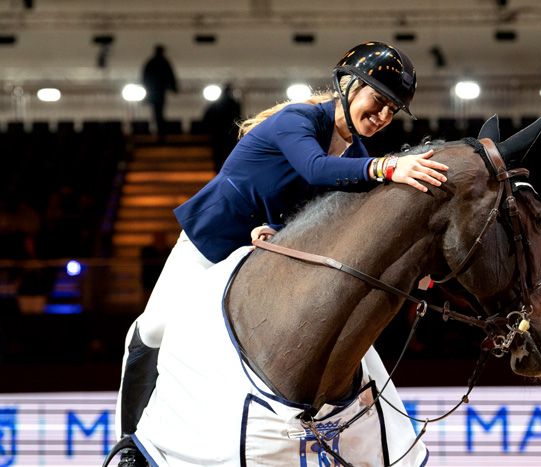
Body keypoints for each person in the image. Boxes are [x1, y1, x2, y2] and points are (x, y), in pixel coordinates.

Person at [112, 41, 449, 466]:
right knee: (151, 330)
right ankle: (131, 445)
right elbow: (313, 169)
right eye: (379, 101)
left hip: (270, 254)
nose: (383, 116)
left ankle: (396, 450)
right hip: (214, 241)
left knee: (351, 338)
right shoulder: (299, 119)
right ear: (347, 85)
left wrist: (415, 264)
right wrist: (387, 167)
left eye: (392, 110)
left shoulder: (360, 154)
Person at [202, 82, 242, 171]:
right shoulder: (234, 104)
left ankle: (218, 171)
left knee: (218, 155)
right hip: (229, 134)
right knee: (228, 154)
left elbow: (206, 117)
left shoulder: (216, 104)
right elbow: (238, 119)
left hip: (217, 133)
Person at [141, 45, 178, 136]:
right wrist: (173, 87)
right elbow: (170, 75)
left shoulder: (152, 62)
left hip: (155, 91)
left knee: (157, 111)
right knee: (159, 111)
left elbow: (145, 77)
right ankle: (161, 129)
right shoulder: (163, 62)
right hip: (158, 91)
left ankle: (160, 129)